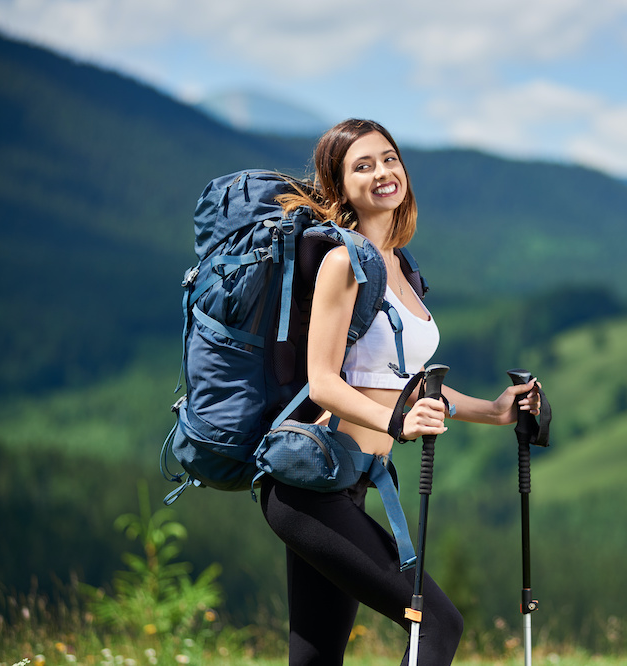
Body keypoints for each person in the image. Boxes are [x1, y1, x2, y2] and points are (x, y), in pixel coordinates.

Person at [258, 118, 542, 666]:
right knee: (436, 623)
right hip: (309, 486)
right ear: (340, 186)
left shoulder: (400, 266)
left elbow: (405, 382)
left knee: (314, 659)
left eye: (389, 158)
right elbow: (322, 380)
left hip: (350, 485)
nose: (383, 172)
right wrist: (395, 424)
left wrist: (494, 410)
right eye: (362, 165)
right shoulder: (344, 262)